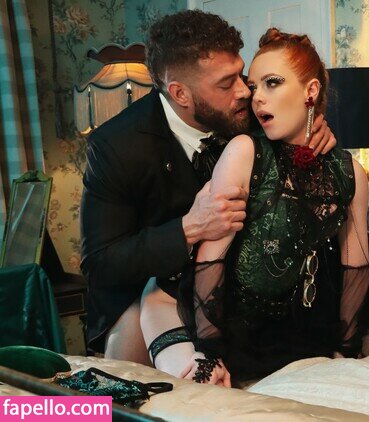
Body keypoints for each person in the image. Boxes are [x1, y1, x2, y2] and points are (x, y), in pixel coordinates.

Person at [141, 28, 369, 386]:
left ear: (311, 91)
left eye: (272, 83)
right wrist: (210, 351)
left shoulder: (350, 171)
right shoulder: (244, 149)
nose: (255, 97)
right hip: (214, 311)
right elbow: (211, 258)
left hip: (300, 319)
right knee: (191, 385)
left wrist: (346, 348)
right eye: (254, 86)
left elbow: (356, 265)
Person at [80, 10, 337, 364]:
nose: (245, 91)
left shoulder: (251, 101)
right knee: (132, 378)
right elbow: (100, 263)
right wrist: (189, 228)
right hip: (148, 286)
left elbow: (299, 108)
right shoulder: (115, 147)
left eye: (240, 73)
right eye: (226, 83)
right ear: (180, 93)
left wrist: (313, 127)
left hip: (237, 281)